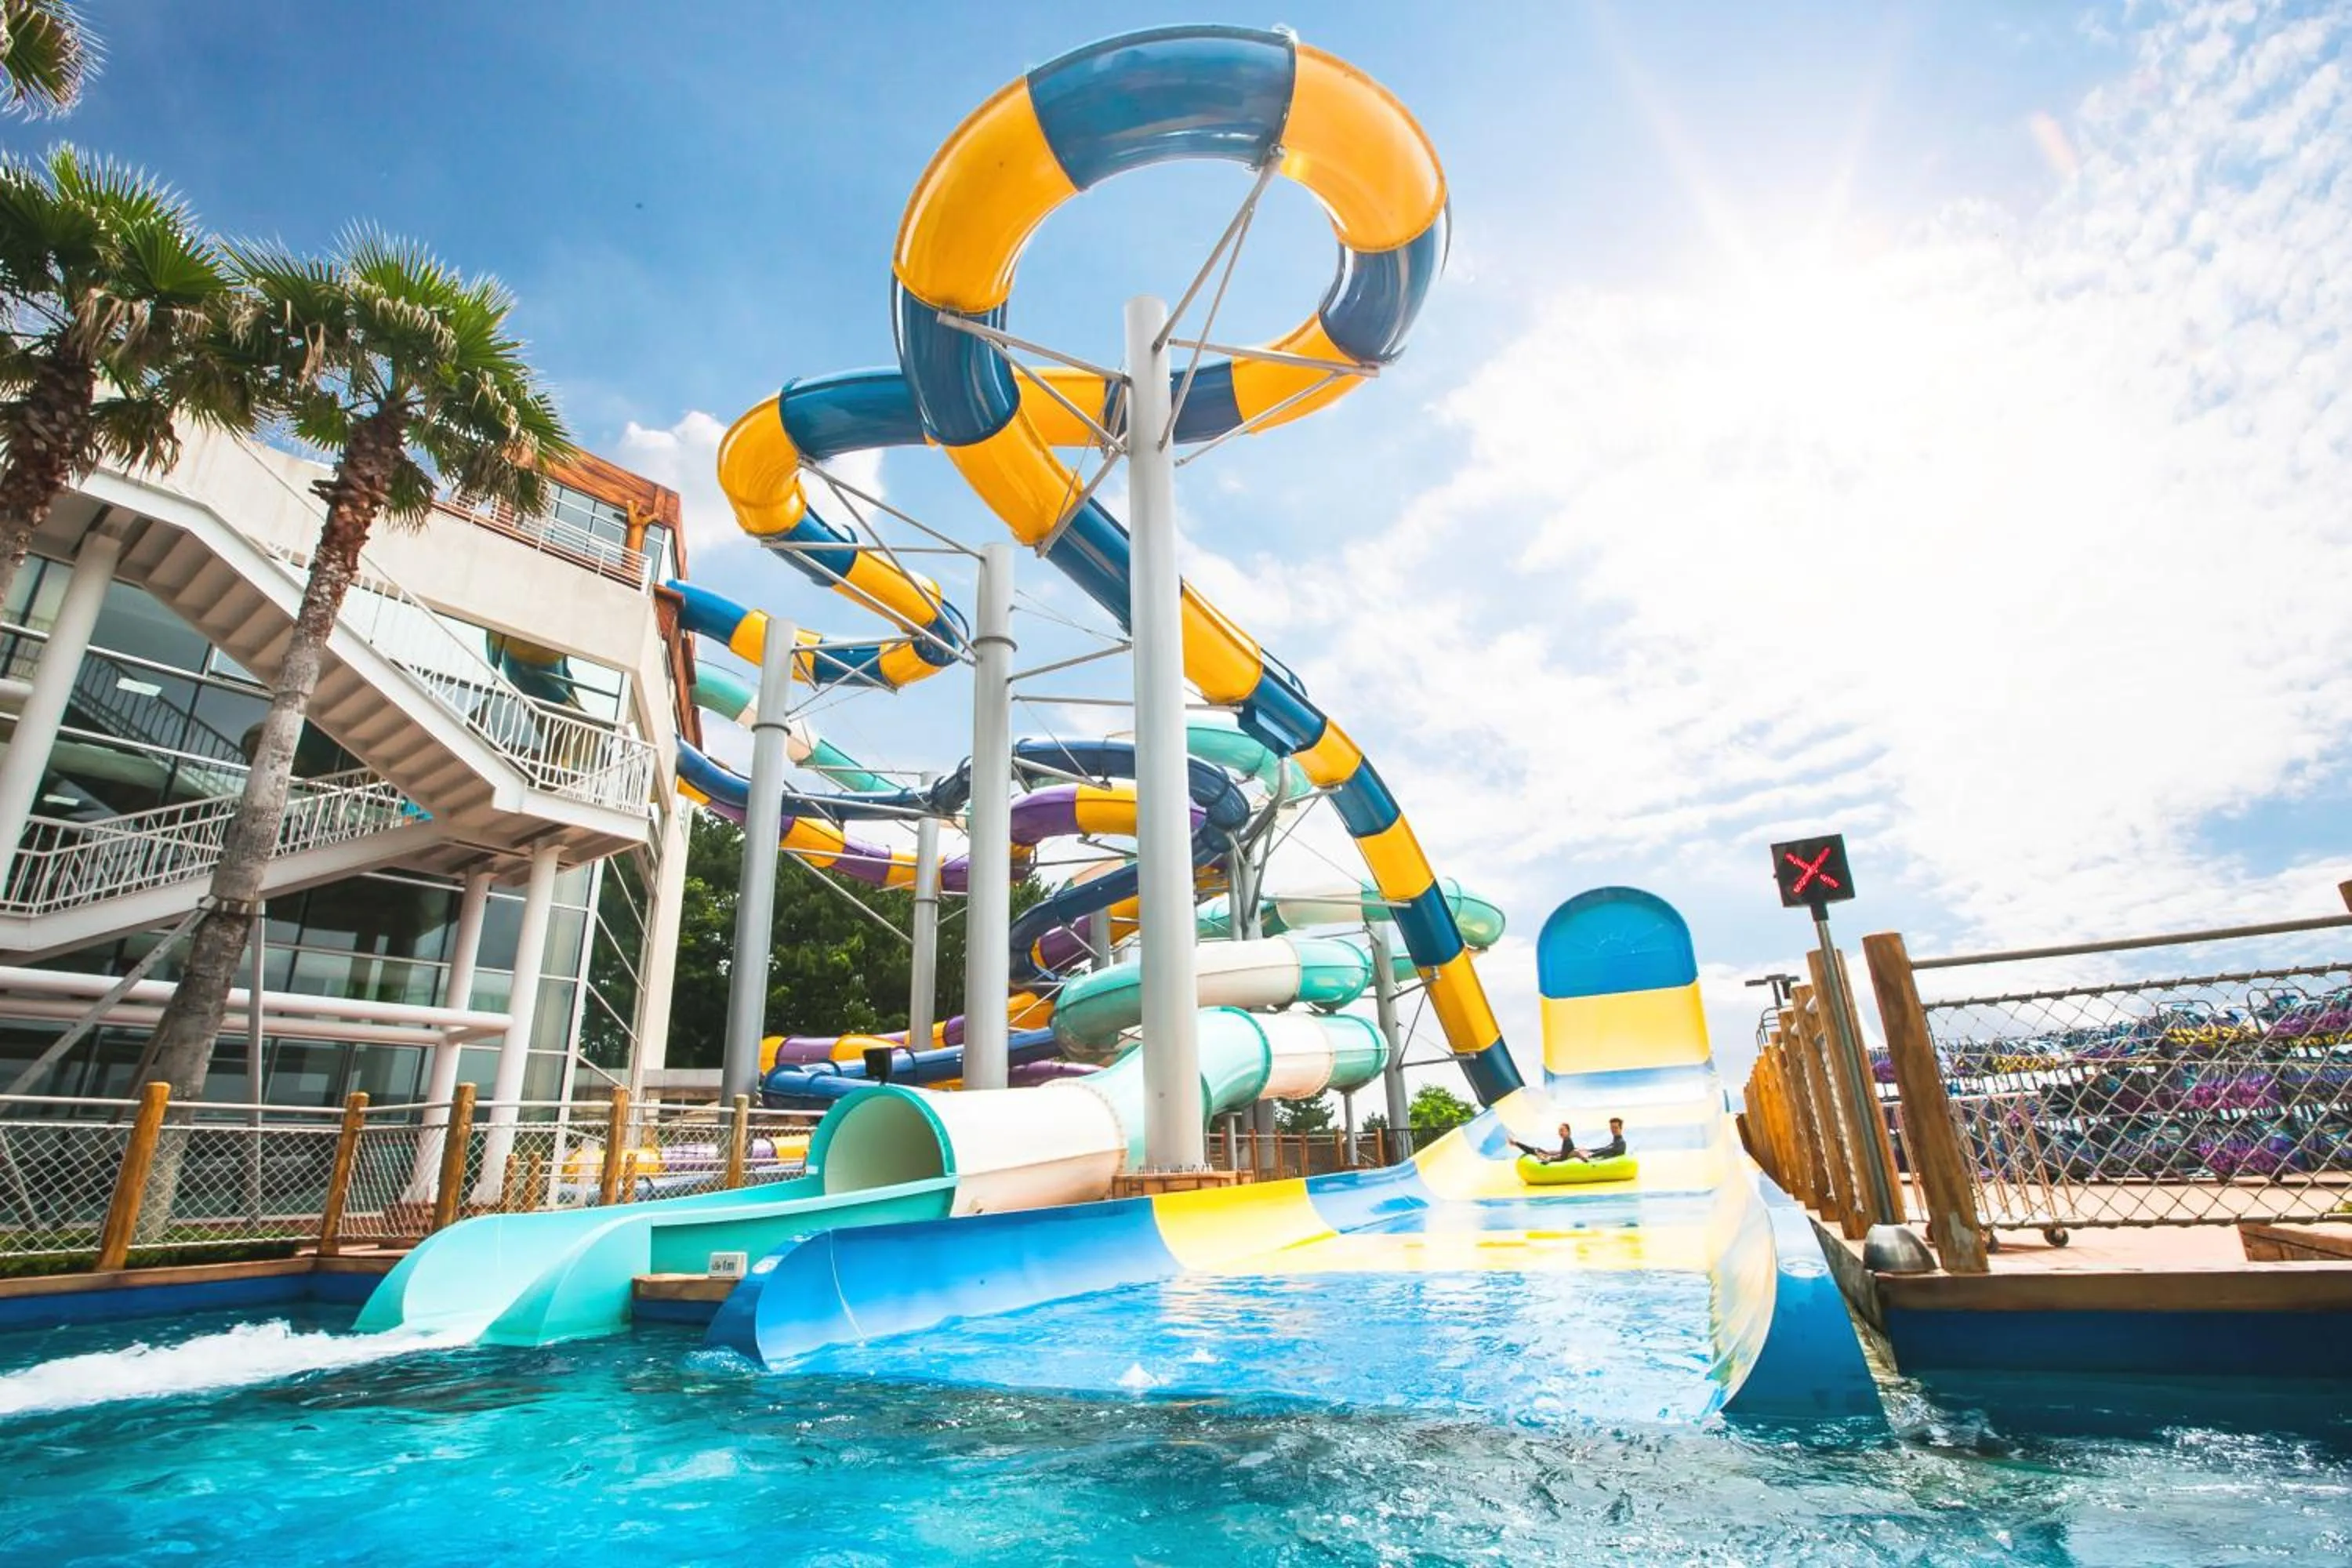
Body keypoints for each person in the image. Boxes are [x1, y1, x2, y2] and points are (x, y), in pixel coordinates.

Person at [1512, 1123, 1587, 1163]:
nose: (1560, 1133)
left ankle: (1516, 1143)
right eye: (1559, 1131)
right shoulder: (1567, 1140)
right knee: (1538, 1149)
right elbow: (1565, 1152)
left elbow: (1562, 1158)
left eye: (1562, 1130)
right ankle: (1516, 1143)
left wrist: (1548, 1158)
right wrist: (1552, 1153)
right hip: (1554, 1155)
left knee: (1536, 1151)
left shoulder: (1568, 1142)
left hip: (1552, 1157)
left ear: (1568, 1132)